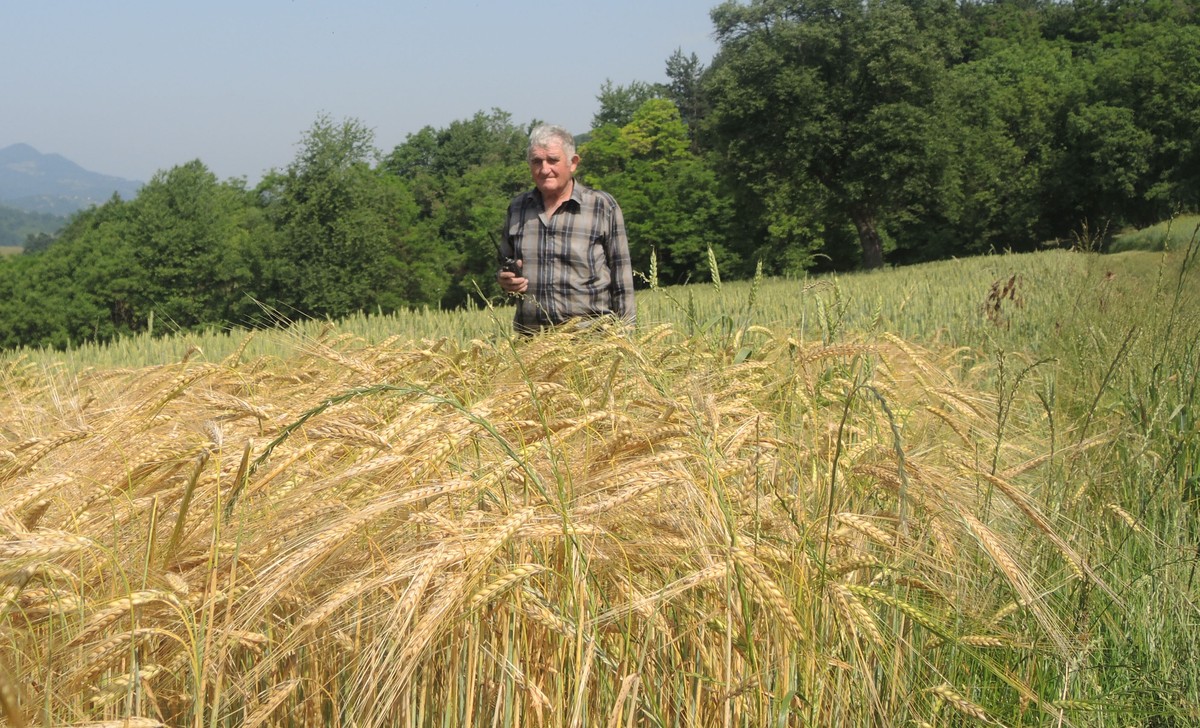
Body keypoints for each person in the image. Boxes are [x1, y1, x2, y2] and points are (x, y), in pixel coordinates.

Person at [497, 124, 635, 335]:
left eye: (553, 160)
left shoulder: (602, 206)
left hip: (592, 341)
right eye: (537, 161)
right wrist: (505, 280)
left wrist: (626, 337)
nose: (544, 169)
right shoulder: (517, 208)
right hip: (534, 343)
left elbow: (622, 278)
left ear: (573, 163)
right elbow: (503, 264)